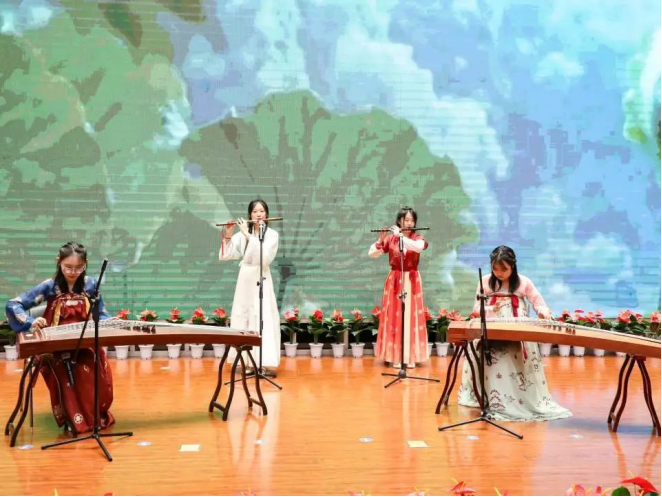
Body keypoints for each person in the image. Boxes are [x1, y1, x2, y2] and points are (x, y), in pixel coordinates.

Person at [5, 241, 115, 434]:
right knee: (71, 370)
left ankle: (94, 416)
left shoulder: (90, 285)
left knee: (97, 368)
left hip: (85, 343)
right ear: (59, 262)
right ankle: (75, 418)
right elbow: (13, 304)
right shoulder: (50, 286)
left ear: (85, 264)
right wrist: (31, 322)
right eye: (68, 267)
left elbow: (101, 313)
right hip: (56, 346)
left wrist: (109, 320)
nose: (73, 272)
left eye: (78, 267)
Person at [458, 245, 572, 421]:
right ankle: (492, 399)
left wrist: (543, 312)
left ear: (513, 266)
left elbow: (538, 302)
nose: (499, 273)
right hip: (492, 328)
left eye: (504, 269)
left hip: (517, 328)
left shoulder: (523, 282)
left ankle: (517, 399)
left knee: (514, 360)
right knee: (494, 361)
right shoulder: (485, 281)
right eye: (495, 268)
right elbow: (476, 308)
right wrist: (490, 309)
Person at [219, 199, 280, 377]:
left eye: (262, 211)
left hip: (262, 278)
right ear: (250, 214)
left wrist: (247, 234)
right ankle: (246, 362)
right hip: (245, 279)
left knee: (262, 317)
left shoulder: (272, 235)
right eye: (255, 211)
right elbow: (226, 255)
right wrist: (229, 234)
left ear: (266, 214)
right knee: (244, 317)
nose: (259, 214)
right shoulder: (242, 234)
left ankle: (263, 363)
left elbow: (265, 258)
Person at [369, 207, 429, 368]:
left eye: (412, 220)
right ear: (399, 221)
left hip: (411, 279)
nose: (409, 223)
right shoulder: (391, 238)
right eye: (406, 220)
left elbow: (418, 247)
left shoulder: (417, 238)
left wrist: (400, 236)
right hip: (395, 279)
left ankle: (410, 357)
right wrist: (380, 240)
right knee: (394, 317)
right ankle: (395, 356)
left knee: (410, 316)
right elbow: (372, 254)